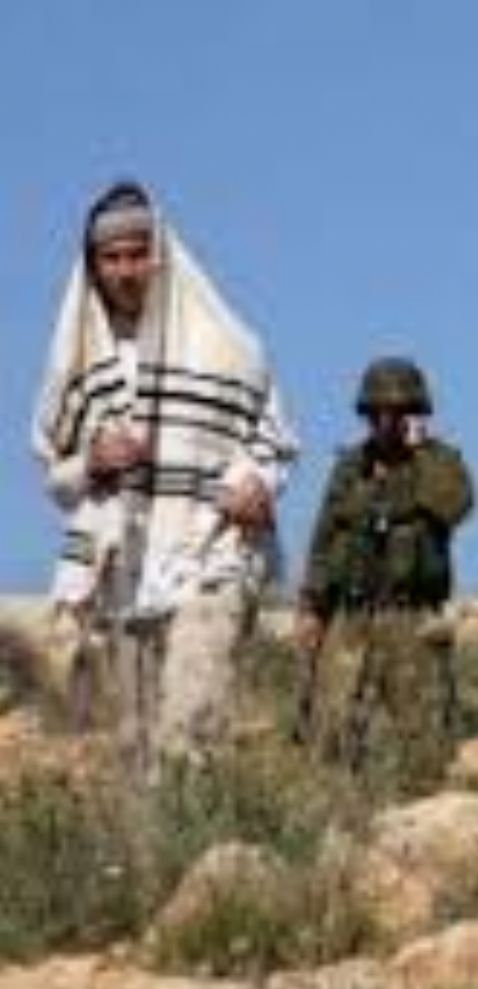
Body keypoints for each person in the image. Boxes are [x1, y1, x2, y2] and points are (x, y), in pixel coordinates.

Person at [31, 180, 297, 781]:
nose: (126, 271)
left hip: (212, 554)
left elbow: (274, 438)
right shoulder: (79, 366)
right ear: (93, 267)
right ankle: (165, 840)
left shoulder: (227, 346)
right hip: (123, 575)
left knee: (192, 723)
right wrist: (93, 460)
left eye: (137, 254)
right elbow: (54, 471)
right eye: (111, 258)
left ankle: (206, 828)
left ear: (160, 256)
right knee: (135, 746)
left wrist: (257, 484)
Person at [296, 356, 474, 790]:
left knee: (423, 743)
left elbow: (454, 505)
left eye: (398, 411)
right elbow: (324, 536)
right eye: (377, 412)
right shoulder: (350, 467)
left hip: (411, 618)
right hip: (350, 617)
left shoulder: (439, 462)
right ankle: (335, 816)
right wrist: (312, 606)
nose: (386, 421)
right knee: (329, 734)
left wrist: (422, 451)